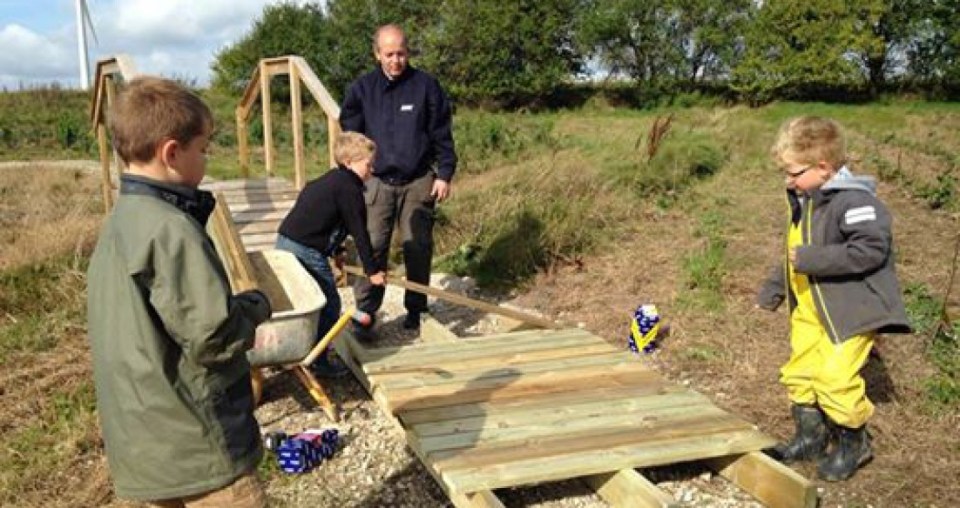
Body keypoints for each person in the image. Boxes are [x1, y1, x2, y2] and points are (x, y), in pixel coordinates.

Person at [86, 77, 273, 506]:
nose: (206, 159)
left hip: (143, 446)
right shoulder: (171, 229)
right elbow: (214, 338)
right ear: (171, 153)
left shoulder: (120, 222)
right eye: (203, 149)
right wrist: (255, 306)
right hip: (198, 448)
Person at [757, 116, 911, 481]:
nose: (788, 180)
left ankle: (854, 443)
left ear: (824, 167)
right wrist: (775, 287)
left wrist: (812, 259)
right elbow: (793, 252)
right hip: (809, 309)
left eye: (794, 172)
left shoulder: (855, 202)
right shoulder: (806, 200)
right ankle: (810, 438)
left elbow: (870, 250)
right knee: (800, 373)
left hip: (849, 312)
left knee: (834, 378)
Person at [340, 23, 457, 334]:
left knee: (417, 247)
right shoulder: (362, 89)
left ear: (408, 52)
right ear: (377, 54)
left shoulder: (426, 86)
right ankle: (365, 313)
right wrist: (353, 171)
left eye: (401, 54)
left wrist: (445, 173)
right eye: (389, 54)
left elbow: (442, 133)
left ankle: (417, 311)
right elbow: (350, 135)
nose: (396, 60)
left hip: (418, 180)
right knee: (372, 245)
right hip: (377, 181)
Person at [276, 131, 387, 373]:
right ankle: (319, 360)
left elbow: (327, 217)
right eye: (368, 164)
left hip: (285, 240)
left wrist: (336, 251)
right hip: (305, 248)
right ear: (348, 162)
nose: (372, 170)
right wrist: (372, 271)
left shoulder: (332, 180)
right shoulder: (350, 189)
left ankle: (286, 351)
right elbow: (360, 233)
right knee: (329, 303)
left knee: (297, 301)